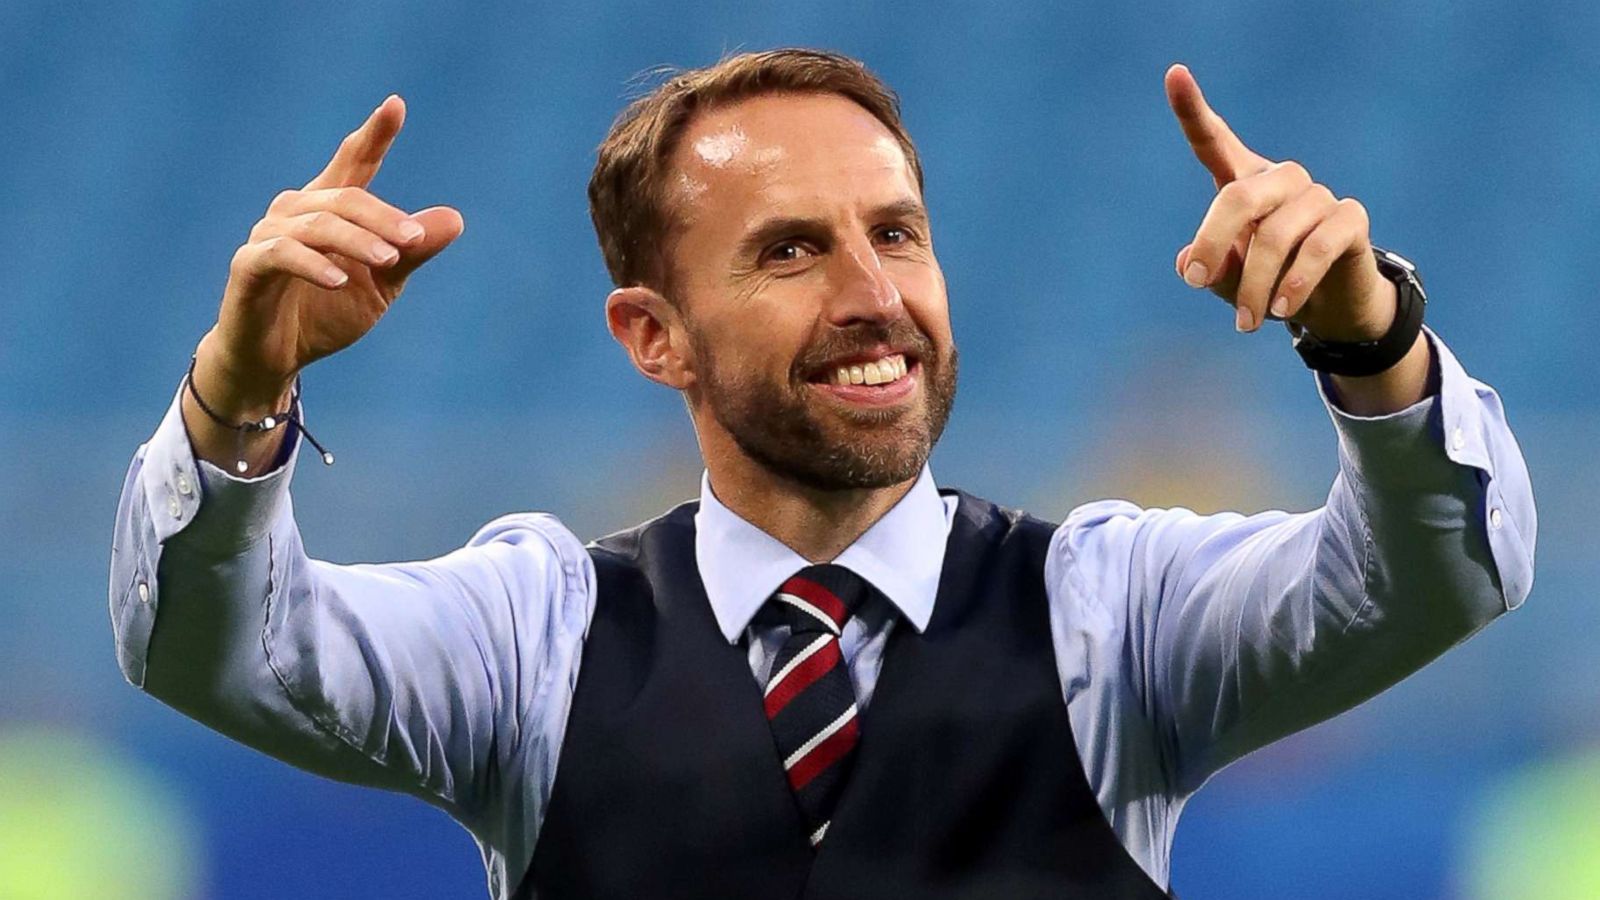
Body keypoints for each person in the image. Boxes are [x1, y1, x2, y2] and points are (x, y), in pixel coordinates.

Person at [108, 49, 1535, 899]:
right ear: (651, 336)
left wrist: (1372, 333)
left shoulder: (1115, 611)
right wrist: (239, 394)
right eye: (792, 250)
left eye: (899, 235)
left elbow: (1444, 575)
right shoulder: (533, 639)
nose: (875, 294)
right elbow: (204, 650)